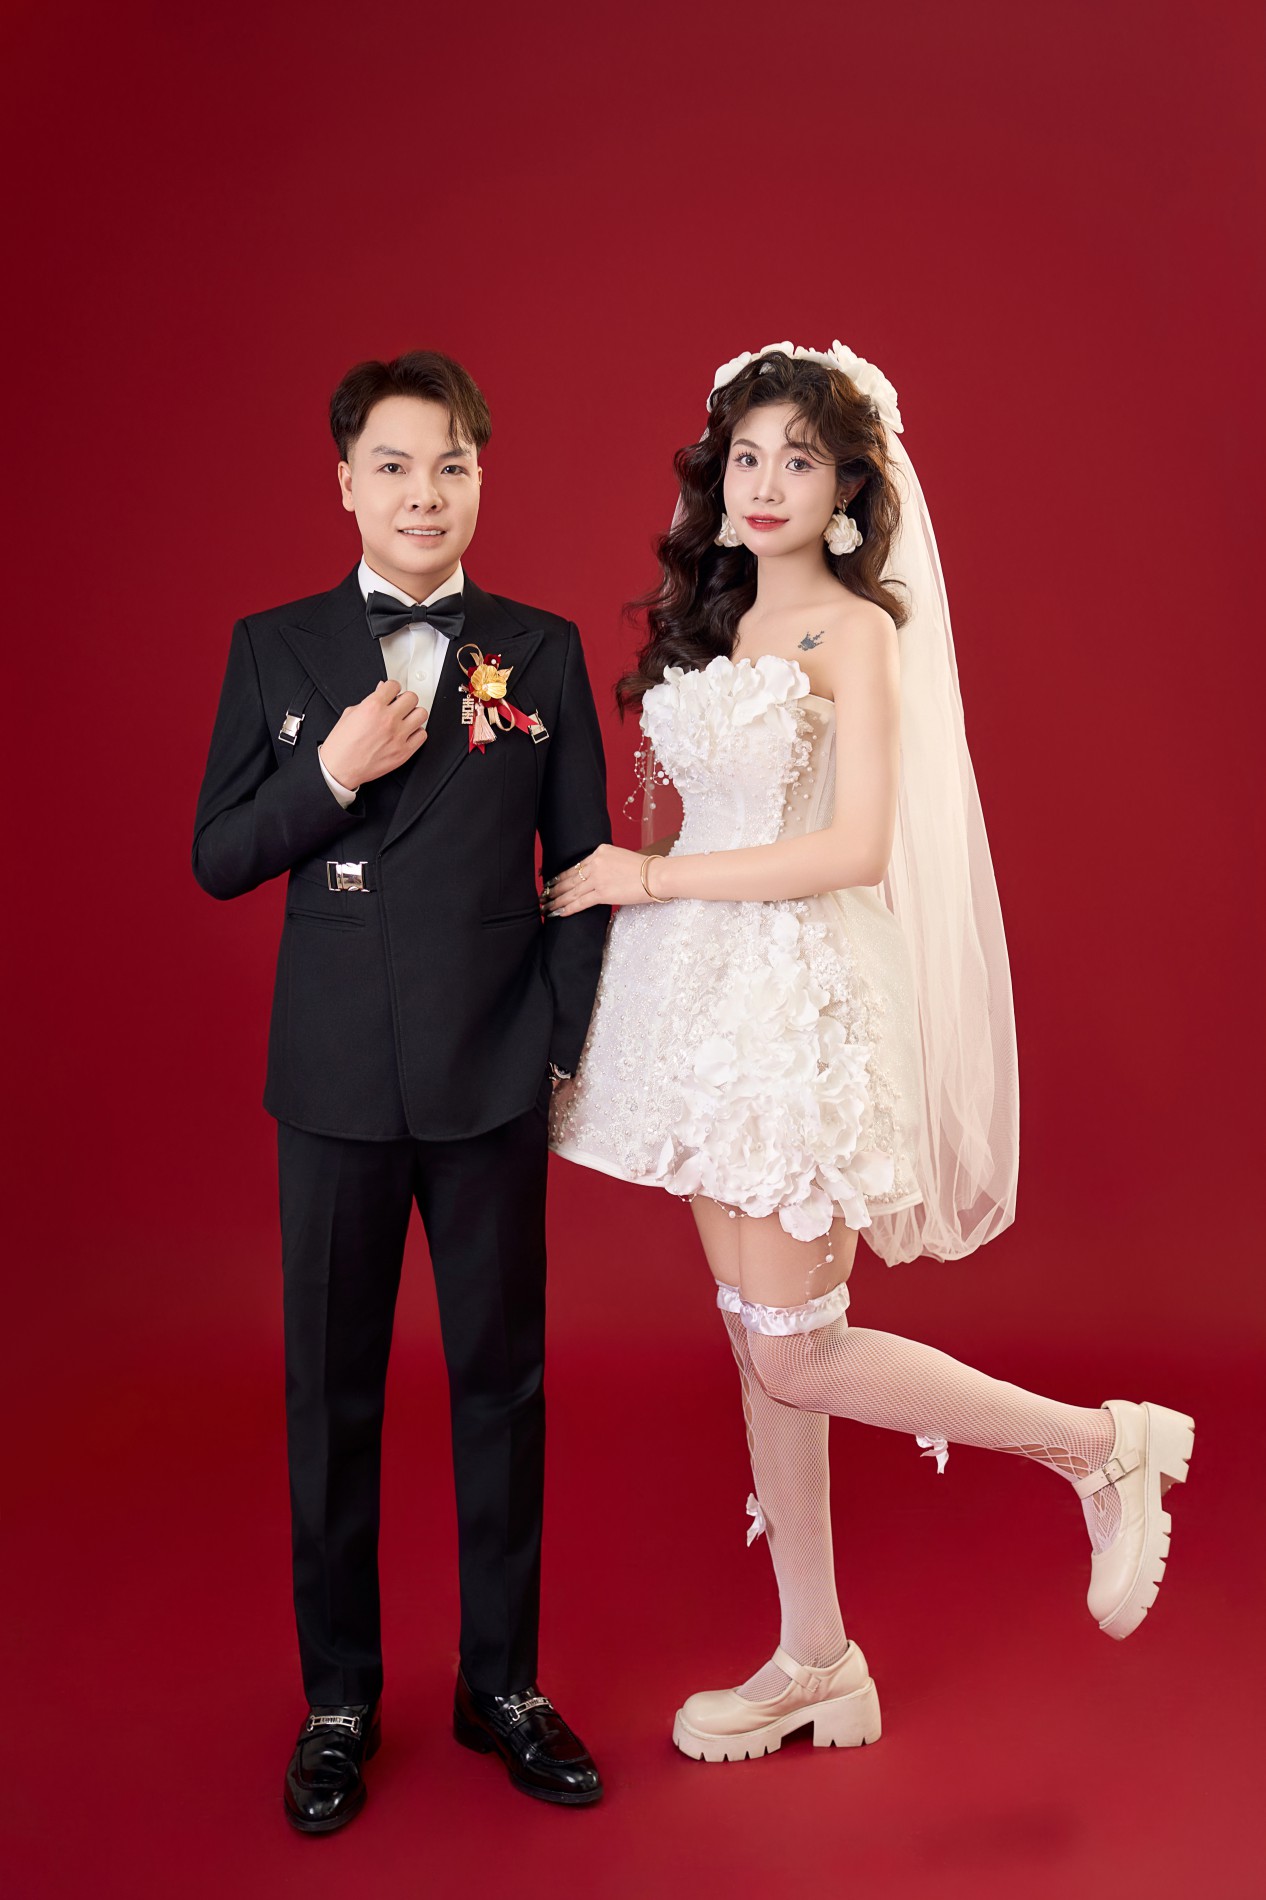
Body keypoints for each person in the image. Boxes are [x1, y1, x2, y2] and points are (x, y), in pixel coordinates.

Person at [547, 339, 1194, 1764]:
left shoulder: (855, 633)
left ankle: (1101, 1447)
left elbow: (849, 847)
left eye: (799, 459)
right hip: (697, 1005)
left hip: (796, 1000)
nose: (764, 483)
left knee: (796, 1349)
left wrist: (646, 881)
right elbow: (697, 810)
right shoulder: (720, 626)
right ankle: (815, 1660)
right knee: (753, 1339)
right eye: (746, 456)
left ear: (848, 489)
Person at [193, 349, 609, 1829]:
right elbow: (218, 855)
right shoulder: (273, 647)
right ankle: (337, 1702)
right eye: (393, 466)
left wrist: (556, 1046)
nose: (423, 493)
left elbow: (584, 871)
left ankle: (502, 1685)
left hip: (492, 1075)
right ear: (346, 483)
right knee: (332, 1396)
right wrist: (328, 776)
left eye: (451, 465)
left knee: (505, 1386)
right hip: (331, 1087)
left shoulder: (540, 651)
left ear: (481, 479)